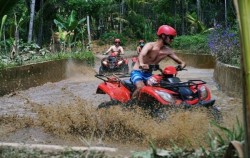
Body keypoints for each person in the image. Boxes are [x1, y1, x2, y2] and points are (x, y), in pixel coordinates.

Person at [130, 25, 186, 99]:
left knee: (164, 86)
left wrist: (181, 66)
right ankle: (131, 104)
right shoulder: (150, 45)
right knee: (141, 87)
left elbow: (182, 62)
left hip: (149, 74)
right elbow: (141, 55)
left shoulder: (168, 50)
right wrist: (141, 64)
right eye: (171, 37)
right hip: (138, 72)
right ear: (163, 36)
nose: (172, 40)